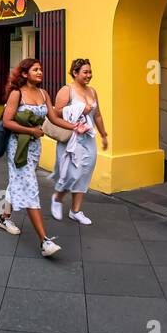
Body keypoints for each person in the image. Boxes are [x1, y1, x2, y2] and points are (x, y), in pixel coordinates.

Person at [0, 58, 61, 258]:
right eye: (36, 69)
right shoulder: (17, 94)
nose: (40, 72)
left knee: (17, 181)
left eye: (41, 69)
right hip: (18, 147)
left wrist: (75, 127)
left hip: (34, 147)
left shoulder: (43, 93)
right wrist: (30, 130)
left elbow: (54, 118)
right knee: (30, 188)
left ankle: (4, 217)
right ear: (25, 74)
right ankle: (44, 241)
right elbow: (7, 122)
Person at [50, 58, 108, 225]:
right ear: (75, 73)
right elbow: (56, 113)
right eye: (85, 72)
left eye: (90, 72)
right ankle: (58, 198)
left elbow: (97, 115)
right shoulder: (66, 90)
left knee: (84, 174)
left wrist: (103, 135)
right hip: (71, 139)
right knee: (71, 174)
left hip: (88, 139)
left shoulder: (92, 91)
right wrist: (80, 108)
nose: (89, 75)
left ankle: (75, 211)